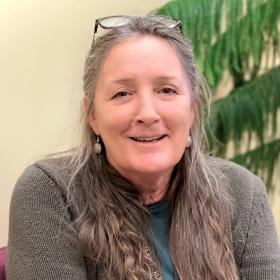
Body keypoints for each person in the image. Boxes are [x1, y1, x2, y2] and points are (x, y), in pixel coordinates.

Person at [6, 16, 280, 280]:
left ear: (193, 109)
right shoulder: (50, 192)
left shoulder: (243, 194)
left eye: (167, 90)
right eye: (122, 93)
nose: (147, 114)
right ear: (92, 116)